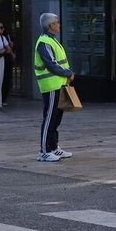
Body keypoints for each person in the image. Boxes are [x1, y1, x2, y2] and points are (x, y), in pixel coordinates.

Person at [34, 13, 75, 162]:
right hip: (51, 86)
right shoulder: (44, 42)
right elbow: (51, 64)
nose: (59, 24)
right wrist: (68, 73)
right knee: (50, 118)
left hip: (59, 84)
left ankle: (53, 147)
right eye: (57, 22)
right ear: (51, 25)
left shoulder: (51, 40)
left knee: (56, 119)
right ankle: (44, 151)